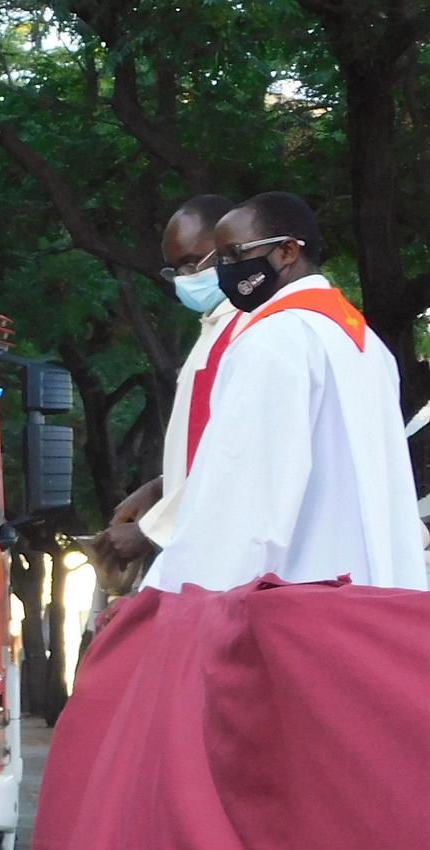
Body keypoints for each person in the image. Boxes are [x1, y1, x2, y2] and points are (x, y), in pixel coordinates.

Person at [142, 192, 429, 592]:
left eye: (233, 255)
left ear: (287, 251)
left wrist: (174, 595)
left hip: (298, 595)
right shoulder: (362, 341)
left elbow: (243, 501)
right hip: (370, 594)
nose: (224, 271)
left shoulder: (275, 338)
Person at [92, 195, 239, 582]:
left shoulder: (249, 334)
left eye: (193, 262)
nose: (187, 279)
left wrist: (151, 529)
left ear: (230, 250)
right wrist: (160, 487)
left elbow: (241, 456)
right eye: (176, 270)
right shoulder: (216, 329)